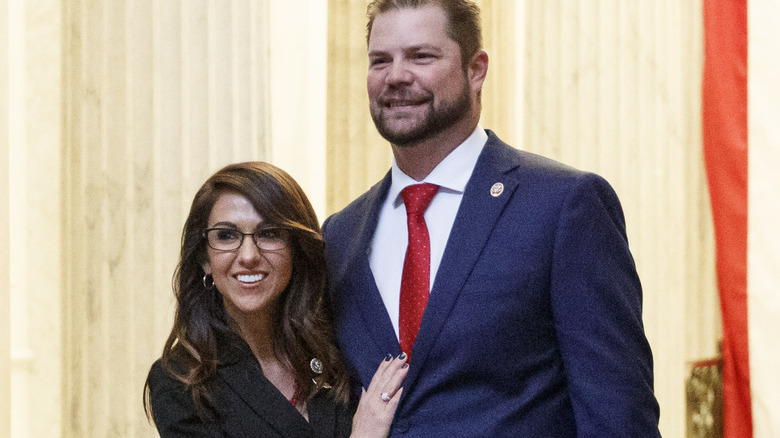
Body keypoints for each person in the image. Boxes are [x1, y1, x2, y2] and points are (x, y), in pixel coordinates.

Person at [321, 1, 662, 436]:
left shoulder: (563, 206)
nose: (396, 76)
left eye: (421, 56)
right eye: (380, 60)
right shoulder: (340, 235)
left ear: (476, 69)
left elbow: (619, 416)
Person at [144, 162, 408, 438]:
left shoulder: (336, 346)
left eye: (269, 233)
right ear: (204, 259)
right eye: (226, 235)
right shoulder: (180, 381)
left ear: (296, 249)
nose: (248, 256)